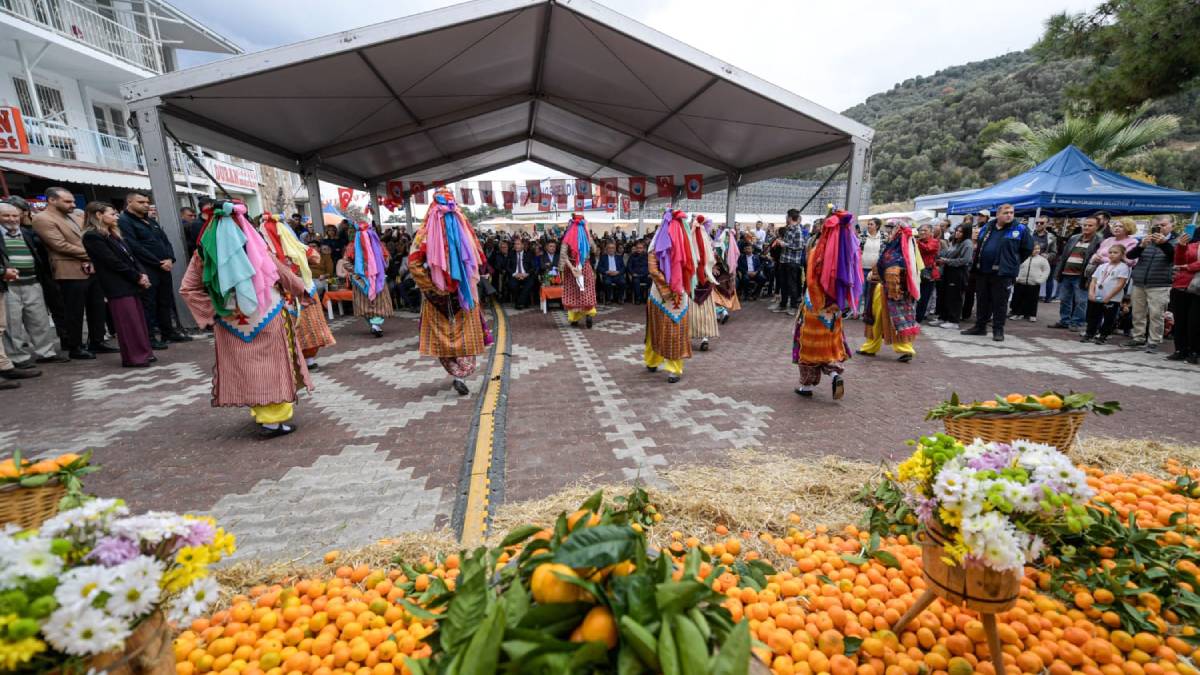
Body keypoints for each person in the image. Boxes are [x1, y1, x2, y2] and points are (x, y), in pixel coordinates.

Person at [179, 201, 313, 436]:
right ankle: (273, 420)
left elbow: (188, 289)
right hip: (268, 316)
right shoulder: (256, 247)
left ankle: (265, 416)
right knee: (272, 368)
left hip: (232, 325)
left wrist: (217, 310)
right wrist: (303, 291)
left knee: (249, 370)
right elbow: (283, 274)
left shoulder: (203, 254)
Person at [407, 190, 490, 395]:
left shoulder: (423, 234)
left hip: (438, 296)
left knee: (443, 339)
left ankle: (455, 373)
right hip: (464, 294)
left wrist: (433, 287)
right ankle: (461, 373)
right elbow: (478, 259)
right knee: (466, 337)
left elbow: (414, 264)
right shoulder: (466, 229)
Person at [32, 186, 116, 359]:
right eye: (67, 201)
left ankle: (97, 341)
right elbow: (59, 245)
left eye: (72, 201)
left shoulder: (74, 216)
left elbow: (89, 237)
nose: (72, 204)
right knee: (74, 311)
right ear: (52, 200)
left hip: (92, 268)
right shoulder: (43, 218)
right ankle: (75, 346)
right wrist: (94, 253)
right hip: (68, 270)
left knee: (97, 306)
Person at [793, 210, 861, 399]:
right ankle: (834, 374)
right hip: (834, 309)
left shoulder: (818, 251)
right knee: (829, 346)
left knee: (808, 346)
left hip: (815, 306)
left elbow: (812, 279)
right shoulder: (848, 252)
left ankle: (806, 387)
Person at [80, 202, 154, 368]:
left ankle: (144, 353)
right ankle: (134, 357)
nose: (116, 217)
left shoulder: (113, 234)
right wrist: (136, 276)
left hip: (130, 281)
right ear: (99, 215)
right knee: (128, 322)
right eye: (112, 214)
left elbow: (130, 257)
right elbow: (112, 262)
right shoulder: (92, 236)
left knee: (138, 321)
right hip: (117, 284)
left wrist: (141, 274)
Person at [260, 213, 335, 370]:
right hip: (304, 290)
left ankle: (295, 361)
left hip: (284, 294)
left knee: (291, 328)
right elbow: (316, 257)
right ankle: (308, 360)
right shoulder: (296, 247)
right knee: (308, 326)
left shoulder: (265, 253)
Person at [119, 191, 190, 349]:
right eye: (141, 202)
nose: (145, 205)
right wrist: (158, 262)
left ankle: (168, 332)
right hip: (147, 268)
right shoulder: (124, 221)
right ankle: (149, 337)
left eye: (147, 202)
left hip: (164, 267)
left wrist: (170, 258)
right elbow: (134, 246)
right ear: (129, 202)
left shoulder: (151, 221)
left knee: (165, 301)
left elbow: (165, 241)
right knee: (148, 304)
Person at [0, 203, 65, 367]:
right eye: (6, 216)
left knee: (40, 320)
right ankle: (18, 358)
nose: (12, 219)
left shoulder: (28, 234)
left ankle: (46, 353)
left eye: (15, 215)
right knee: (12, 324)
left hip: (33, 282)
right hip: (9, 286)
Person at [961, 204, 1033, 341]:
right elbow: (980, 244)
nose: (1009, 215)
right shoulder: (988, 227)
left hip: (1003, 274)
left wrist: (1012, 263)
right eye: (1006, 212)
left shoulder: (1020, 229)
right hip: (983, 270)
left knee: (1000, 302)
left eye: (1012, 213)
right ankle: (980, 327)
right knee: (982, 300)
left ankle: (998, 330)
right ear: (998, 214)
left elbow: (1027, 249)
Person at [860, 221, 922, 361]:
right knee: (895, 320)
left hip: (889, 292)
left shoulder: (895, 252)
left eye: (891, 229)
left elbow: (890, 269)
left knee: (883, 319)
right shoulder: (902, 250)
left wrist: (878, 277)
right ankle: (901, 349)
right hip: (893, 292)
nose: (889, 231)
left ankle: (875, 347)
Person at [644, 209, 693, 383]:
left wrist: (680, 286)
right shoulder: (656, 245)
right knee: (655, 330)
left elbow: (690, 266)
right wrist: (668, 288)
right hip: (660, 295)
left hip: (679, 296)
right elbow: (653, 269)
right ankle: (652, 360)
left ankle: (674, 368)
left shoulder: (687, 244)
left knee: (676, 331)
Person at [1123, 216, 1175, 352]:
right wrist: (1140, 246)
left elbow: (1175, 257)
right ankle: (1138, 337)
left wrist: (1164, 243)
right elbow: (1130, 256)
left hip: (1160, 283)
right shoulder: (1146, 240)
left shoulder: (1175, 241)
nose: (1160, 228)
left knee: (1156, 314)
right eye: (1157, 226)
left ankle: (1154, 341)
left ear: (1172, 226)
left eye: (1163, 225)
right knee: (1138, 312)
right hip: (1140, 281)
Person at [340, 221, 393, 337]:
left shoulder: (352, 246)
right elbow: (386, 261)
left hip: (361, 280)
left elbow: (345, 263)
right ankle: (375, 325)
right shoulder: (378, 245)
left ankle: (374, 325)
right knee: (379, 303)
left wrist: (358, 272)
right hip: (375, 278)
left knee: (366, 304)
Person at [1052, 216, 1102, 331]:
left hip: (1082, 276)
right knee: (1064, 299)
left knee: (1081, 301)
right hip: (1066, 274)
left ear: (1097, 227)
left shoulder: (1099, 241)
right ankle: (1064, 321)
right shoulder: (1074, 238)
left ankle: (1077, 323)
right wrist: (1059, 272)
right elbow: (1064, 256)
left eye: (1090, 225)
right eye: (1085, 225)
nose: (1086, 227)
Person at [1082, 244, 1131, 344]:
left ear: (1122, 255)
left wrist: (1109, 297)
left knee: (1109, 317)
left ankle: (1103, 335)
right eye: (1110, 252)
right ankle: (1090, 333)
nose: (1112, 254)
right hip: (1098, 295)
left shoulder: (1123, 267)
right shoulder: (1102, 266)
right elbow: (1094, 280)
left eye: (1115, 253)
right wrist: (1091, 293)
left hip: (1112, 298)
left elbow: (1120, 284)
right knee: (1094, 315)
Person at [1167, 230, 1199, 364]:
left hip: (1198, 288)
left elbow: (1184, 265)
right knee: (1180, 320)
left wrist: (1189, 267)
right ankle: (1180, 350)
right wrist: (1181, 245)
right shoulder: (1193, 245)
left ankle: (1194, 351)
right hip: (1181, 285)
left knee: (1195, 322)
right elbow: (1178, 261)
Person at [560, 213, 597, 328]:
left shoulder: (567, 238)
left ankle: (574, 318)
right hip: (585, 267)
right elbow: (595, 250)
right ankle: (589, 313)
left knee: (573, 293)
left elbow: (563, 255)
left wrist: (572, 268)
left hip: (572, 269)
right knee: (586, 291)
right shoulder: (587, 237)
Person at [933, 223, 973, 328]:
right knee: (945, 295)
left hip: (958, 273)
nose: (958, 233)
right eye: (957, 231)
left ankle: (953, 320)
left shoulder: (967, 243)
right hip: (948, 271)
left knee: (954, 297)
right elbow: (948, 253)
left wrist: (947, 261)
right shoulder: (955, 241)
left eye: (960, 232)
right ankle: (943, 317)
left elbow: (965, 260)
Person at [689, 215, 719, 352]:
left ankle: (689, 337)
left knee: (691, 311)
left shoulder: (689, 241)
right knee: (705, 311)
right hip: (702, 278)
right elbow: (712, 260)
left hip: (694, 279)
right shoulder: (707, 241)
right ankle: (704, 338)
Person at [773, 209, 807, 315]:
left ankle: (793, 306)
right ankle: (783, 304)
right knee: (783, 283)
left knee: (792, 284)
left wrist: (784, 244)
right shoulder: (788, 229)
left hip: (792, 262)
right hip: (784, 260)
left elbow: (800, 246)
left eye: (786, 217)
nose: (785, 218)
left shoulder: (798, 230)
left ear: (790, 218)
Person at [1009, 243, 1051, 322]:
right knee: (1018, 298)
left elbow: (1046, 270)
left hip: (1034, 283)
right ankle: (1017, 313)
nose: (1037, 250)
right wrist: (1016, 278)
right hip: (1020, 281)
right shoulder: (1022, 258)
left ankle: (1032, 314)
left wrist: (1041, 280)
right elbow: (1015, 267)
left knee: (1033, 299)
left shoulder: (1042, 260)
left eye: (1038, 249)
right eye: (1034, 249)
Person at [711, 225, 741, 324]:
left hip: (720, 274)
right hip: (727, 275)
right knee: (723, 294)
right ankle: (721, 314)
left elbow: (713, 258)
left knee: (716, 294)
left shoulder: (720, 246)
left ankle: (722, 312)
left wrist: (712, 266)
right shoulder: (732, 246)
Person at [858, 218, 884, 319]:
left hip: (875, 270)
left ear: (877, 226)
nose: (869, 226)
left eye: (871, 224)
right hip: (862, 267)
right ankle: (856, 311)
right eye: (868, 224)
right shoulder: (862, 236)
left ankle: (866, 312)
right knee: (860, 290)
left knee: (870, 292)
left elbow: (884, 252)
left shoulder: (883, 237)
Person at [915, 224, 940, 323]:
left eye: (925, 230)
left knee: (924, 298)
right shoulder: (918, 241)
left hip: (927, 273)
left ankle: (918, 319)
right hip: (916, 272)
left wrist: (916, 242)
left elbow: (928, 249)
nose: (922, 232)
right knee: (915, 296)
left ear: (931, 232)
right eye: (921, 230)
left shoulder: (934, 241)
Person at [1032, 217, 1059, 302]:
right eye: (1037, 223)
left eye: (1042, 223)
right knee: (1033, 280)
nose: (1039, 224)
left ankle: (1048, 298)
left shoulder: (1051, 237)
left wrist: (1047, 256)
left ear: (1047, 224)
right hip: (1032, 263)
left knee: (1049, 280)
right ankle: (1033, 297)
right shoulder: (1030, 234)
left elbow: (1054, 252)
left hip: (1046, 263)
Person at [507, 238, 536, 309]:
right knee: (513, 285)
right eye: (515, 244)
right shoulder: (511, 254)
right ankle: (524, 302)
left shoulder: (529, 254)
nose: (516, 246)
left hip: (526, 275)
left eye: (518, 244)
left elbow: (533, 267)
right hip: (515, 275)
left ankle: (519, 303)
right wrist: (514, 274)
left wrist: (526, 274)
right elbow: (507, 267)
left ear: (523, 245)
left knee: (529, 284)